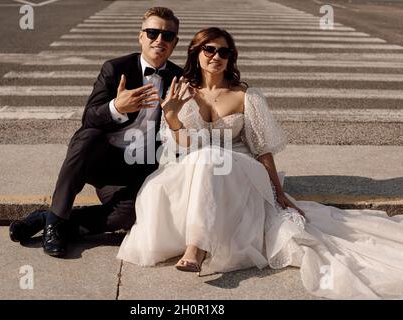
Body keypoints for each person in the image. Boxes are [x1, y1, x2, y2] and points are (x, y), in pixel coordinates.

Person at [117, 27, 403, 299]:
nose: (216, 57)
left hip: (241, 166)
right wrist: (172, 116)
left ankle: (196, 248)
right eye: (209, 50)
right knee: (205, 159)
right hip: (195, 165)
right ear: (195, 53)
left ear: (231, 58)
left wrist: (279, 194)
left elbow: (263, 150)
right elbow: (183, 145)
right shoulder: (181, 91)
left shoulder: (245, 95)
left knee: (212, 159)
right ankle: (199, 241)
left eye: (224, 52)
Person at [9, 7, 183, 258]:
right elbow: (89, 117)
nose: (159, 40)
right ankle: (56, 224)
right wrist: (116, 107)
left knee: (130, 215)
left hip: (141, 168)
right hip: (103, 161)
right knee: (87, 136)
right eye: (153, 33)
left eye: (167, 36)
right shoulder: (115, 68)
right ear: (141, 36)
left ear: (175, 42)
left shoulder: (178, 78)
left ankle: (48, 219)